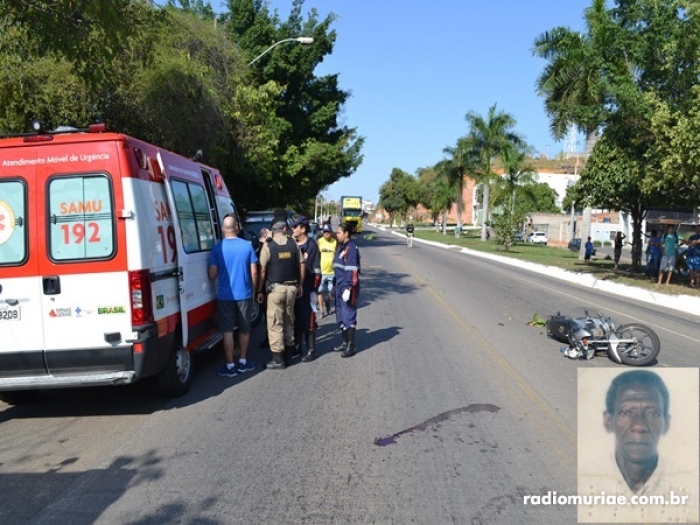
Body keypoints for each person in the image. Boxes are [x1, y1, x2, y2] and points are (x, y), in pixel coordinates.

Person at [578, 370, 698, 523]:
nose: (639, 426)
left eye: (652, 414)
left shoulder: (692, 489)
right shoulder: (582, 483)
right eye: (626, 412)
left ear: (666, 423)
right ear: (608, 421)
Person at [208, 215, 259, 377]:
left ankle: (230, 365)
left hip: (225, 296)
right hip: (244, 294)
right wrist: (255, 291)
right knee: (244, 330)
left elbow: (212, 274)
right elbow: (254, 272)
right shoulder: (247, 246)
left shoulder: (217, 248)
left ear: (223, 229)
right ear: (236, 227)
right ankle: (243, 362)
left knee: (227, 331)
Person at [256, 211, 304, 369]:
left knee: (275, 323)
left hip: (275, 290)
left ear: (273, 230)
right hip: (292, 288)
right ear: (284, 229)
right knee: (289, 320)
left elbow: (262, 270)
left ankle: (278, 360)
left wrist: (260, 291)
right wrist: (301, 285)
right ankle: (290, 356)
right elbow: (301, 265)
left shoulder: (268, 246)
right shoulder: (293, 244)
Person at [291, 216, 321, 362]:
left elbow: (317, 270)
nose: (293, 229)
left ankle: (311, 350)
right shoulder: (291, 244)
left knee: (308, 318)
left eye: (295, 226)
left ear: (303, 228)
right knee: (295, 318)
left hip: (308, 288)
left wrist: (313, 290)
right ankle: (296, 346)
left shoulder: (311, 244)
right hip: (293, 288)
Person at [332, 222, 360, 358]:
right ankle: (344, 342)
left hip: (347, 286)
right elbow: (337, 267)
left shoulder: (352, 248)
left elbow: (351, 269)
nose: (336, 235)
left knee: (348, 314)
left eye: (339, 233)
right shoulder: (341, 247)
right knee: (341, 315)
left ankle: (351, 346)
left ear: (346, 234)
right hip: (338, 285)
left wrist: (348, 288)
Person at [317, 223, 337, 317]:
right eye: (325, 232)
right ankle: (321, 310)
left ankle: (328, 302)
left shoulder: (335, 242)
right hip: (322, 272)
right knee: (319, 291)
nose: (327, 234)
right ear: (323, 233)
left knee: (331, 292)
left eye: (328, 232)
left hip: (332, 272)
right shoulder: (319, 241)